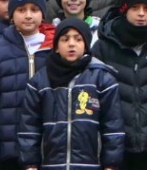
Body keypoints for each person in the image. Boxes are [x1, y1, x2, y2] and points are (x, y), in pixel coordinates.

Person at [18, 19, 124, 170]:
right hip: (51, 165)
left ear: (86, 45)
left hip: (91, 165)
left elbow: (113, 126)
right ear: (55, 47)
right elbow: (29, 126)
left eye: (78, 39)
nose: (71, 44)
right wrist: (30, 164)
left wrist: (111, 164)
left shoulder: (102, 79)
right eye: (65, 39)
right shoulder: (40, 81)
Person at [0, 0, 53, 170]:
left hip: (50, 150)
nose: (28, 15)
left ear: (42, 13)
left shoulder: (54, 49)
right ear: (11, 14)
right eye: (21, 9)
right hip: (11, 153)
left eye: (34, 9)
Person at [93, 0, 147, 170]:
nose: (141, 13)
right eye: (135, 7)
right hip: (112, 143)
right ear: (124, 9)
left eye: (146, 8)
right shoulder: (103, 48)